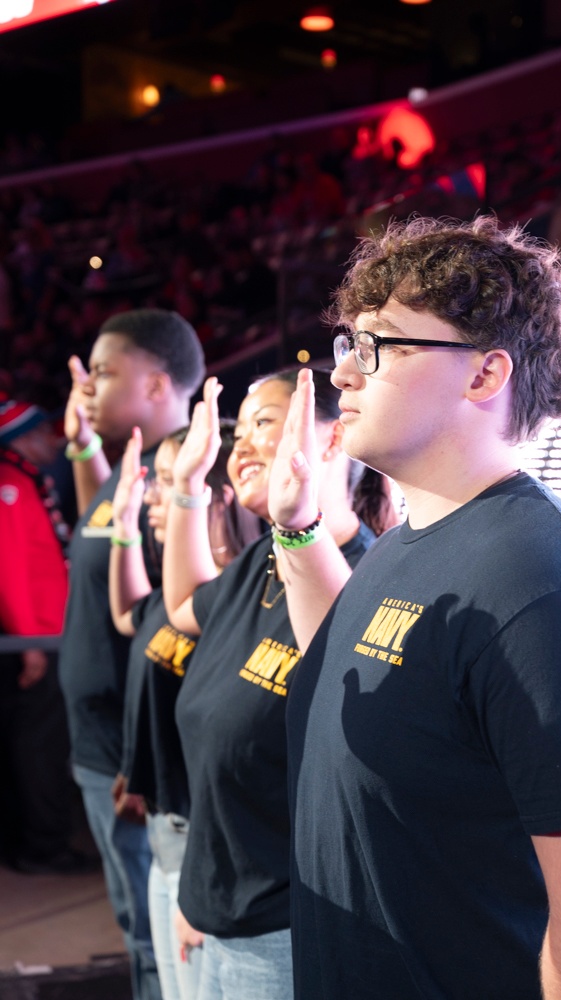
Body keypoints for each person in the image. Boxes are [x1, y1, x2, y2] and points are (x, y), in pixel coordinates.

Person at [267, 215, 561, 1000]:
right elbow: (358, 667)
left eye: (376, 347)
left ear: (484, 375)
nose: (343, 373)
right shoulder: (407, 541)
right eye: (348, 344)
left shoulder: (549, 591)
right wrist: (296, 530)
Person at [162, 368, 379, 1000]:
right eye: (240, 432)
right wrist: (184, 489)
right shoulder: (260, 562)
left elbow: (350, 689)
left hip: (289, 930)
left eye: (265, 422)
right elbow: (181, 605)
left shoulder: (367, 577)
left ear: (334, 439)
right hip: (216, 915)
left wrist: (298, 525)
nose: (244, 447)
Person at [58, 308, 206, 1000]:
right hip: (101, 748)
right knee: (136, 928)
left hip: (133, 758)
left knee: (160, 943)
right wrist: (84, 450)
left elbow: (174, 631)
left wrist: (141, 756)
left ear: (156, 385)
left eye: (105, 372)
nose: (88, 387)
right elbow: (99, 541)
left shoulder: (176, 486)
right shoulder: (128, 473)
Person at [109, 420, 262, 1000]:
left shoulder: (231, 598)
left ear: (214, 496)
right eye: (162, 483)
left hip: (203, 840)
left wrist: (205, 880)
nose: (158, 498)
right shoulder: (183, 596)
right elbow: (129, 616)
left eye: (175, 483)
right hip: (167, 828)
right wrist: (122, 526)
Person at [0, 397, 94, 874]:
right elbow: (11, 572)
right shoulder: (10, 485)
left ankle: (40, 836)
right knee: (41, 742)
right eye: (39, 434)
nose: (49, 441)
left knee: (40, 740)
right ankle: (43, 844)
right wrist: (31, 642)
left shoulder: (20, 481)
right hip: (40, 638)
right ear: (20, 438)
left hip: (47, 633)